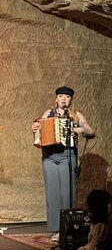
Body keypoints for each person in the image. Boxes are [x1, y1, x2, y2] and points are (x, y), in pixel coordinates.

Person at [32, 86, 95, 234]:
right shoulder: (49, 113)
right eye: (61, 96)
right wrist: (35, 128)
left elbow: (91, 131)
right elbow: (39, 128)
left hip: (67, 157)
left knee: (67, 193)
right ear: (56, 99)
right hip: (49, 157)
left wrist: (80, 130)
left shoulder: (75, 115)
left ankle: (68, 228)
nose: (64, 99)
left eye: (67, 96)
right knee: (52, 193)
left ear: (71, 99)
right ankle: (54, 229)